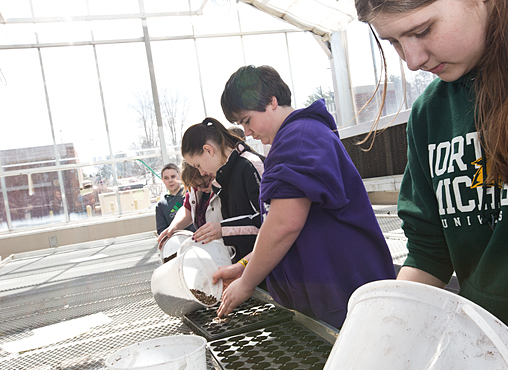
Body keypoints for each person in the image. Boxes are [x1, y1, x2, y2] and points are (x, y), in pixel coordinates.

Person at [355, 0, 508, 370]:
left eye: (422, 30)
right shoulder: (430, 113)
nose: (411, 60)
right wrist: (382, 336)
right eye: (392, 41)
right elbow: (429, 252)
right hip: (488, 365)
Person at [214, 65, 396, 329]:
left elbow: (284, 225)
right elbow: (282, 223)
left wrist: (247, 283)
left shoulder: (297, 140)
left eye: (247, 120)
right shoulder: (300, 135)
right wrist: (244, 266)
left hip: (343, 292)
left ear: (271, 102)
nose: (248, 132)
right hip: (335, 290)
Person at [180, 117, 265, 263]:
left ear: (208, 150)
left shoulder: (251, 165)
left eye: (198, 165)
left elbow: (271, 222)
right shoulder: (223, 178)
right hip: (248, 266)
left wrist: (223, 229)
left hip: (269, 269)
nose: (201, 173)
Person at [157, 161, 222, 246]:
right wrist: (174, 226)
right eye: (196, 185)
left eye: (204, 183)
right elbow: (187, 208)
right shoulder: (195, 189)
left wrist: (223, 229)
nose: (200, 188)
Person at [155, 163, 193, 235]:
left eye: (173, 176)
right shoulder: (161, 205)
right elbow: (161, 231)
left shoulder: (191, 194)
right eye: (166, 178)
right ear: (162, 180)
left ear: (180, 176)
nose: (170, 180)